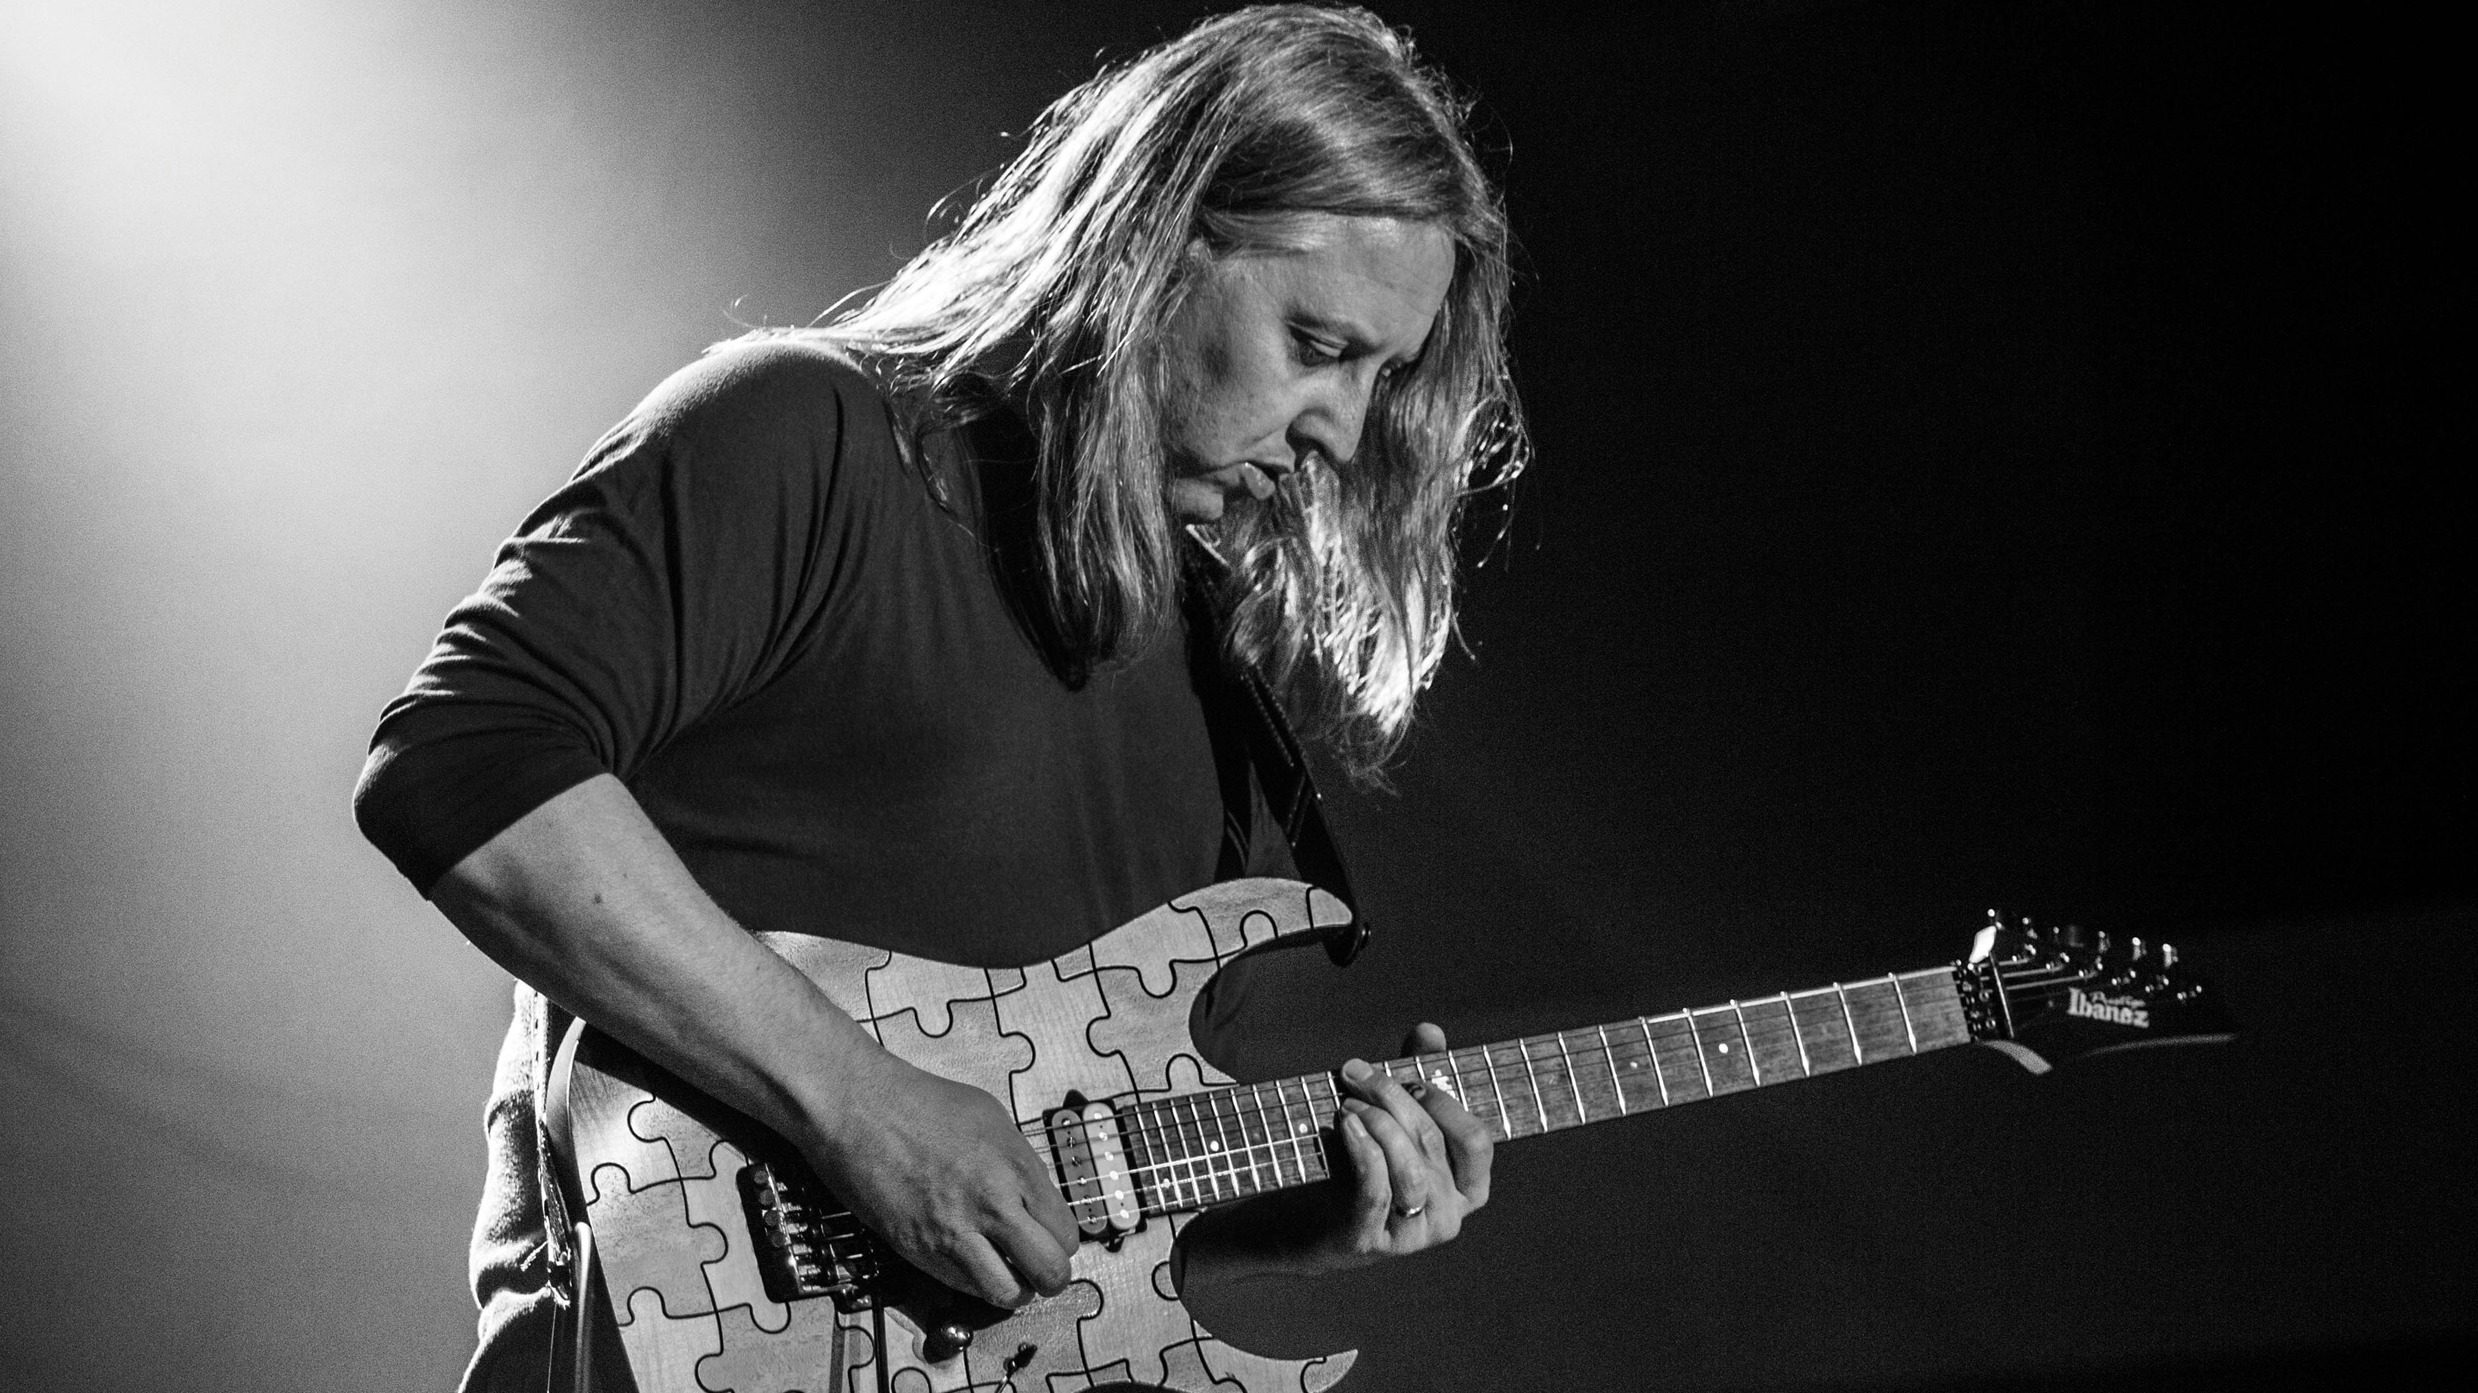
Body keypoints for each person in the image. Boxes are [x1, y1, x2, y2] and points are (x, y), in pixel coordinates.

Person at [353, 6, 1528, 1388]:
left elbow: (1049, 1214)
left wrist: (1307, 1219)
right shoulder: (812, 433)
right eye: (1318, 343)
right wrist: (861, 1103)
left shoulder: (1212, 686)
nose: (1340, 428)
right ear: (1155, 244)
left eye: (1382, 377)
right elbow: (460, 764)